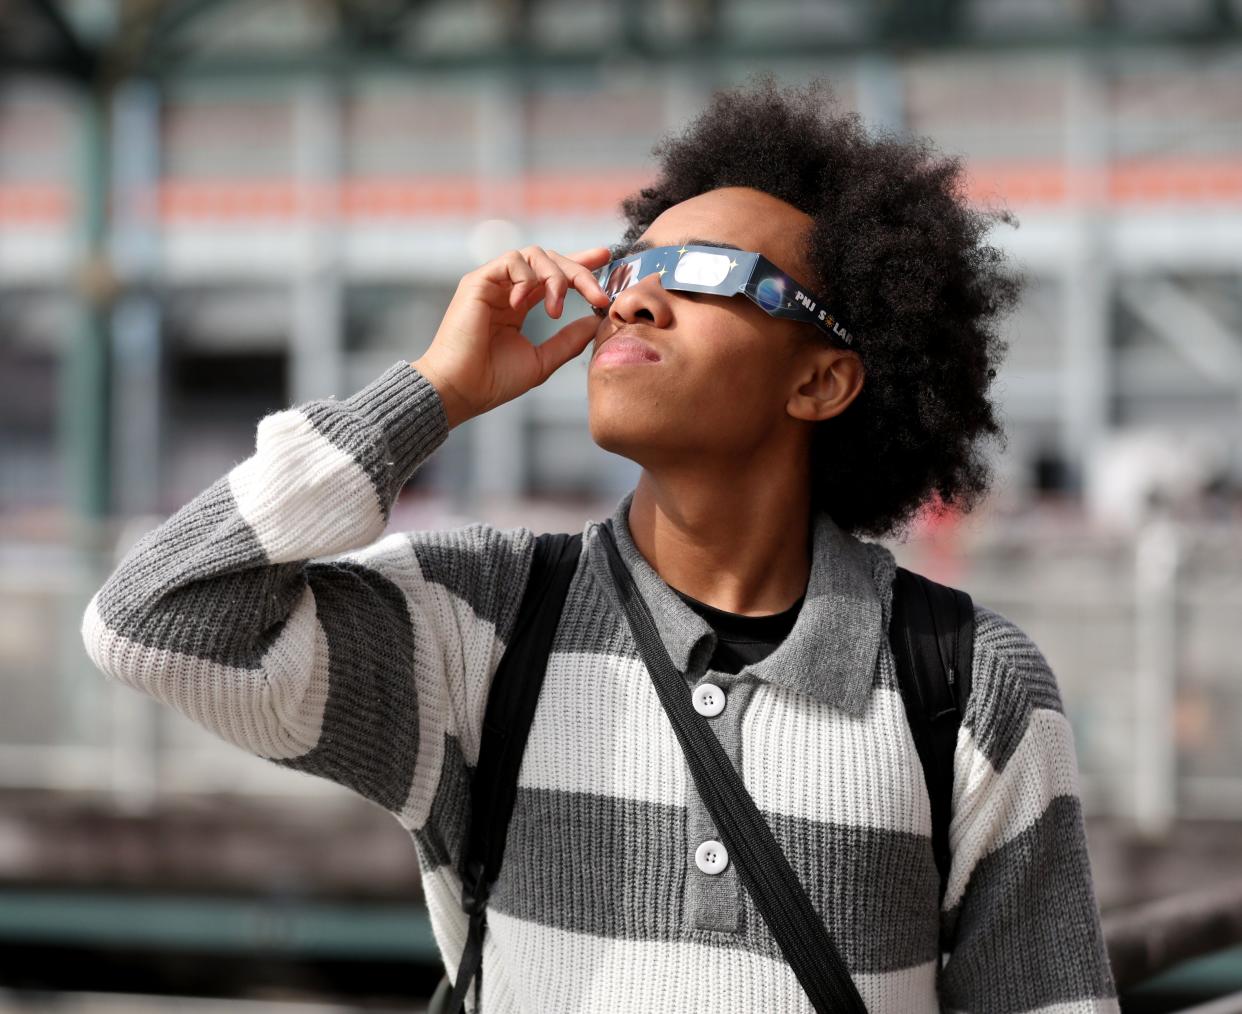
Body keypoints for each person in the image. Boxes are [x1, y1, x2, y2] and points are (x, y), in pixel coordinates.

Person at [81, 74, 1119, 1013]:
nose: (631, 294)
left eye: (706, 271)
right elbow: (156, 620)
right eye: (633, 262)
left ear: (821, 381)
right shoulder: (483, 623)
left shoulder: (968, 688)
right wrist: (432, 394)